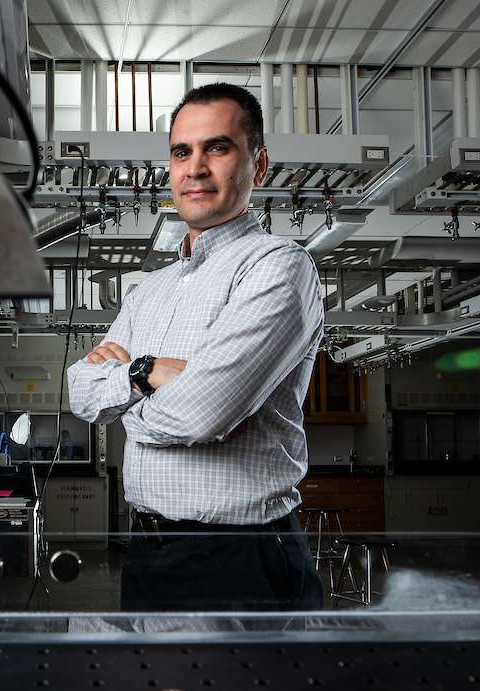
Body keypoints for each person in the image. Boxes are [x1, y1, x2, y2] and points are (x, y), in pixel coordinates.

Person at [66, 83, 324, 612]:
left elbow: (201, 414)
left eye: (218, 148)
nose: (195, 167)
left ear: (260, 163)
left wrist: (129, 407)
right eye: (182, 151)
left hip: (239, 556)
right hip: (148, 552)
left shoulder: (277, 267)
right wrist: (147, 374)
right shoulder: (150, 289)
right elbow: (81, 392)